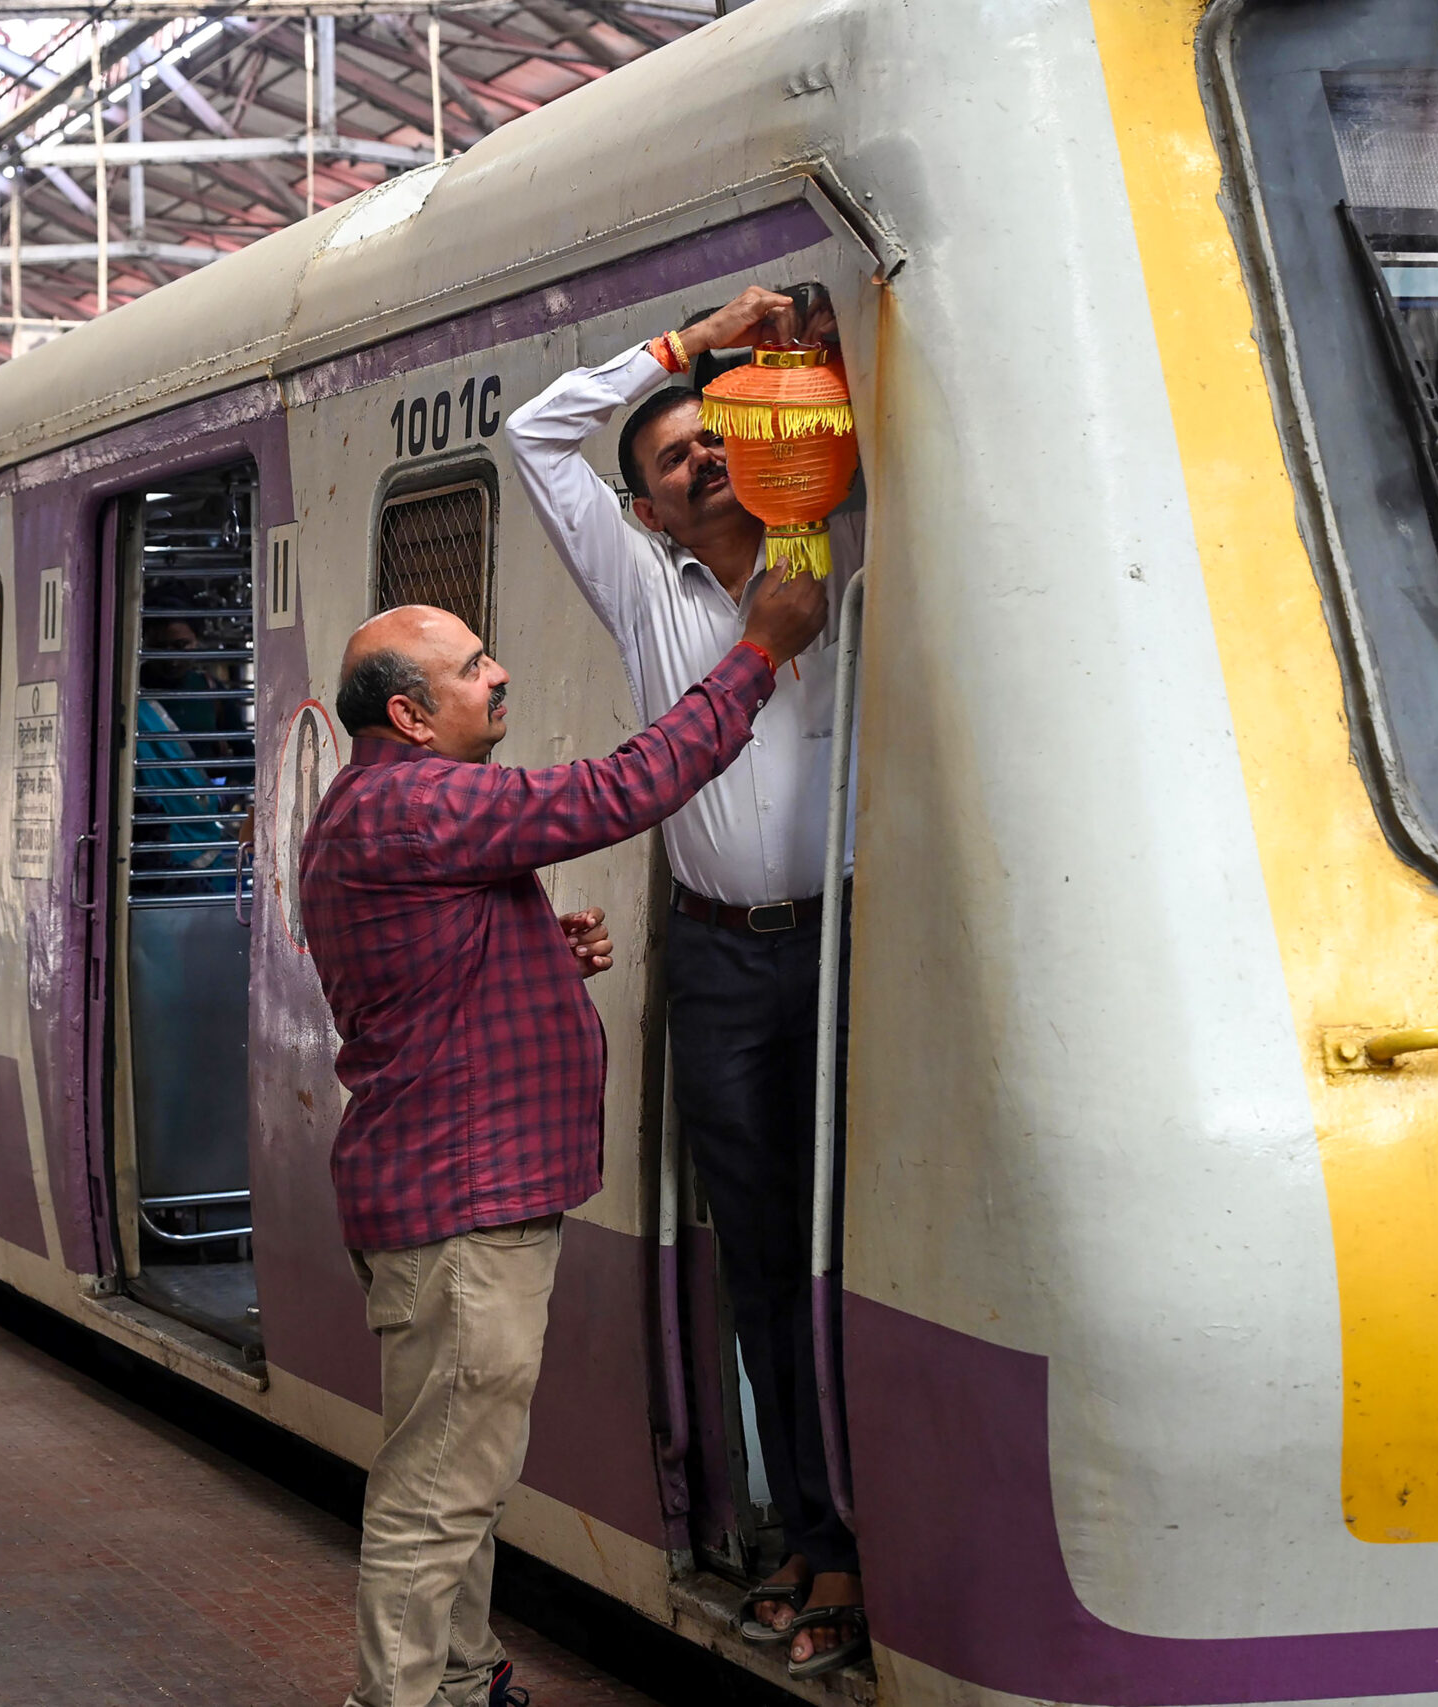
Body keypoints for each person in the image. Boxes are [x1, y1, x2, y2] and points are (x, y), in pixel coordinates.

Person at [300, 574, 830, 1707]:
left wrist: (540, 955)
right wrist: (755, 654)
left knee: (461, 1470)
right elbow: (620, 788)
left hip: (445, 1191)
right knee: (437, 1492)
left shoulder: (382, 808)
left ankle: (461, 1680)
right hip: (461, 1204)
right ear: (408, 715)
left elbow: (426, 983)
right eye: (472, 667)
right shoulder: (417, 803)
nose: (498, 674)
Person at [503, 282, 866, 1676]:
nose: (702, 455)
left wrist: (790, 372)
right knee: (763, 1258)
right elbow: (537, 434)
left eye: (713, 433)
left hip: (847, 949)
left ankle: (862, 1537)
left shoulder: (831, 543)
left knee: (852, 1257)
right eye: (670, 457)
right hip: (719, 961)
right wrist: (695, 343)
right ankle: (811, 1533)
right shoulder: (642, 587)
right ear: (646, 512)